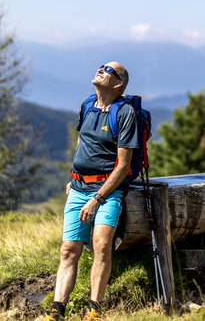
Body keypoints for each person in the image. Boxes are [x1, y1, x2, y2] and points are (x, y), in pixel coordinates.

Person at [38, 61, 139, 321]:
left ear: (118, 84)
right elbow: (83, 141)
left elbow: (124, 165)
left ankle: (94, 310)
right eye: (101, 66)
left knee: (102, 245)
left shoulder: (125, 114)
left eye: (109, 70)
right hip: (79, 187)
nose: (101, 70)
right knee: (68, 250)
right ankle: (56, 311)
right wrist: (75, 175)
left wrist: (97, 198)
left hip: (106, 191)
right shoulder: (86, 105)